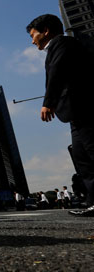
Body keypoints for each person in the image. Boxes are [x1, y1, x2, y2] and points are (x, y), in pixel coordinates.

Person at [26, 14, 94, 217]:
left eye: (33, 35)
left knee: (92, 153)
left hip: (86, 108)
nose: (32, 41)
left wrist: (48, 103)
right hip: (75, 113)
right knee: (83, 159)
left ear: (45, 31)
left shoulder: (62, 43)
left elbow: (57, 71)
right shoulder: (57, 47)